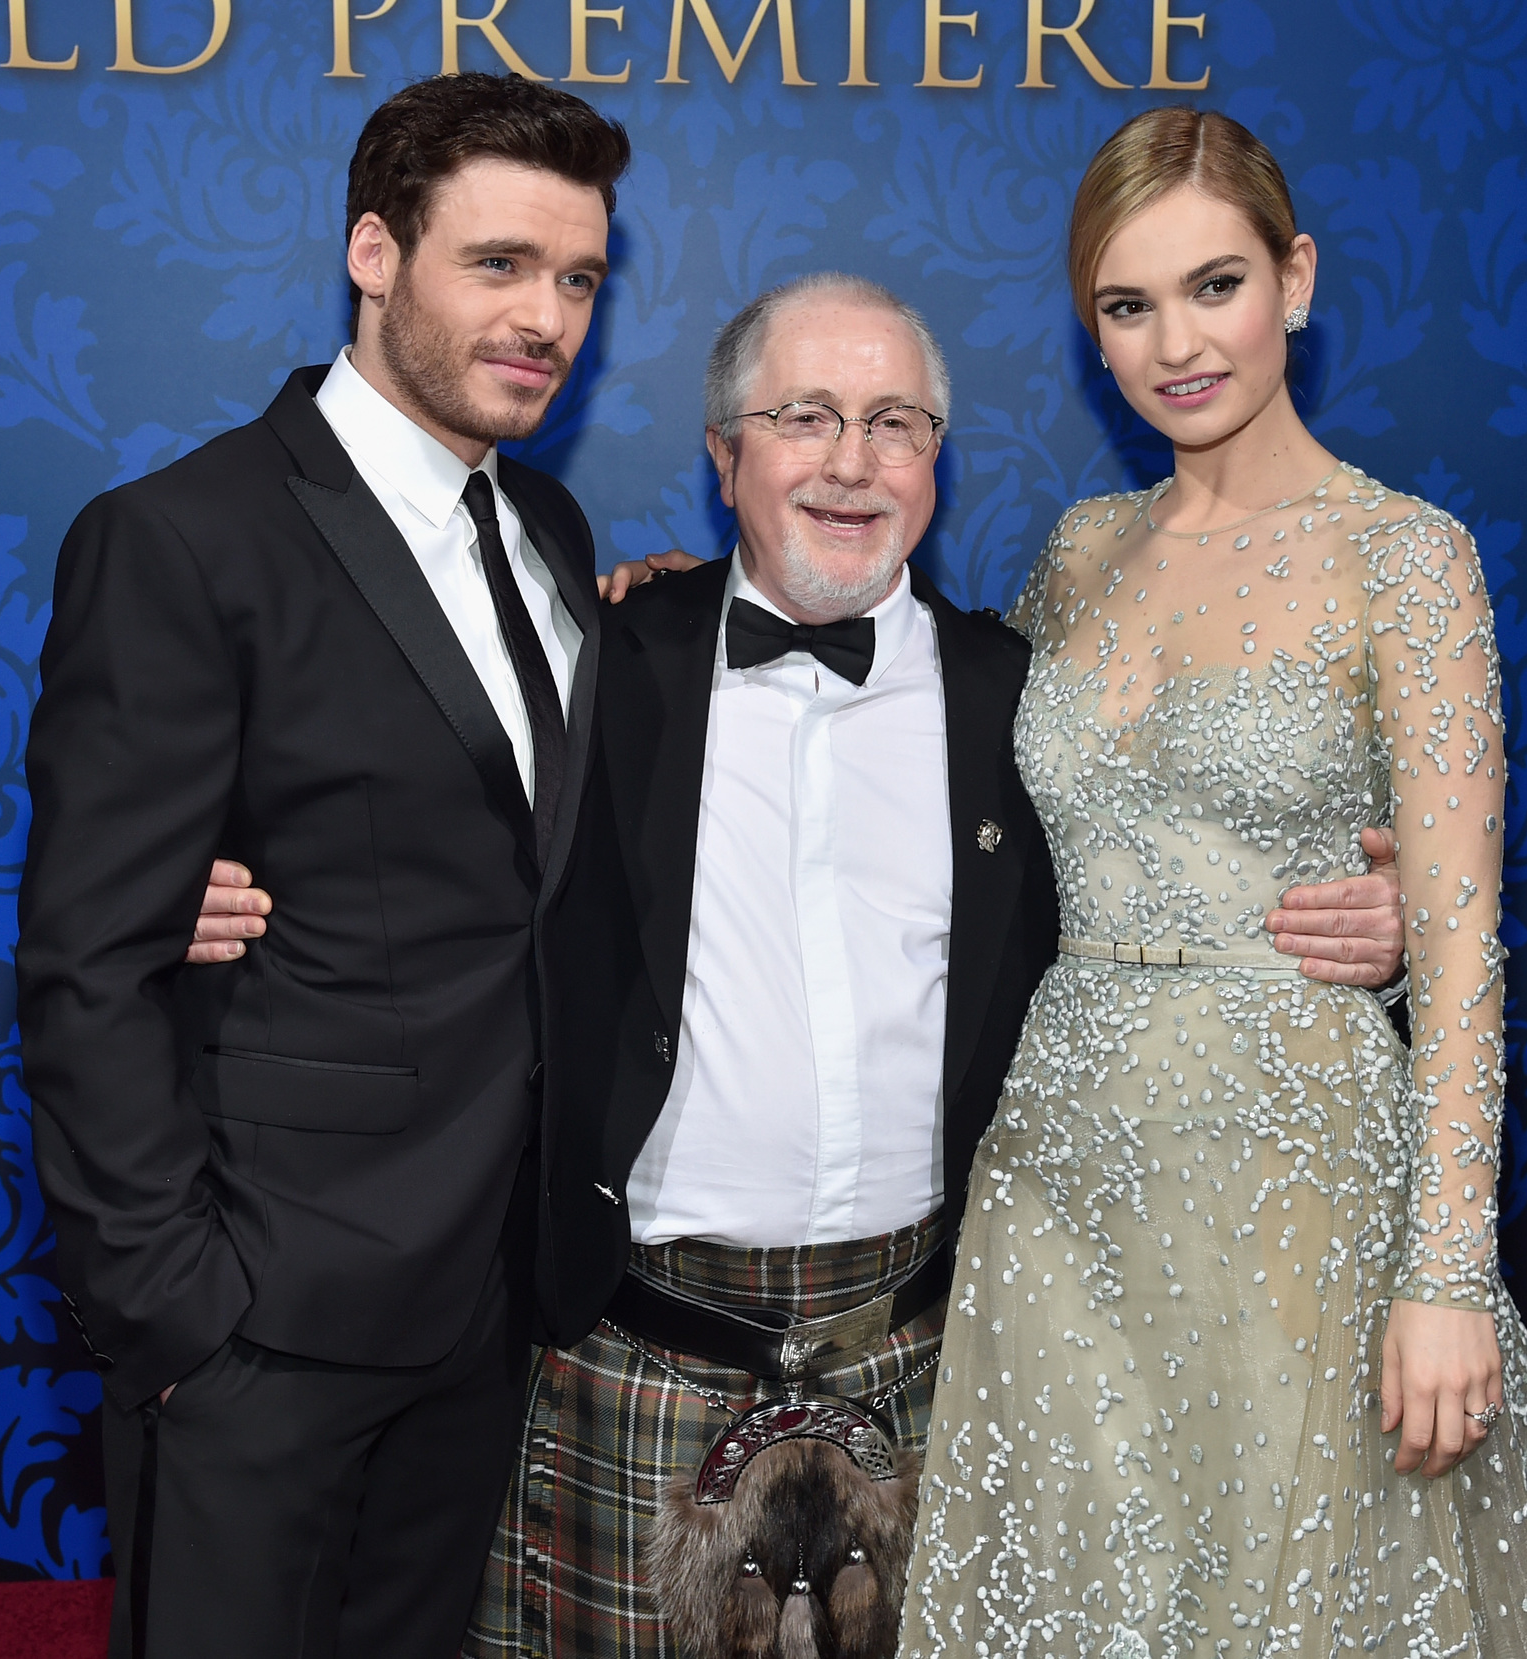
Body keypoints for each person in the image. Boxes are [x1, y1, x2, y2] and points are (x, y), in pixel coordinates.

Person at [190, 272, 1409, 1657]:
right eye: (804, 417)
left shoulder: (1021, 700)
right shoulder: (593, 660)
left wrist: (1375, 931)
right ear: (724, 457)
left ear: (938, 461)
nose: (850, 462)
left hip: (934, 1354)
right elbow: (385, 808)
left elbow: (1172, 906)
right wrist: (188, 882)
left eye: (896, 423)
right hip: (632, 1347)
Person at [897, 109, 1527, 1659]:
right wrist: (675, 598)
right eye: (1128, 307)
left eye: (1215, 286)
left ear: (1295, 279)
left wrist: (1448, 1271)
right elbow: (940, 749)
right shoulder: (1080, 552)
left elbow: (1464, 953)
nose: (1176, 343)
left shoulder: (1405, 557)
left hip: (1298, 1184)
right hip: (1055, 1175)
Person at [15, 74, 629, 1659]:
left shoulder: (551, 530)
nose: (544, 317)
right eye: (498, 264)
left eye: (577, 280)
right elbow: (89, 967)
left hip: (489, 1310)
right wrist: (179, 1318)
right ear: (375, 253)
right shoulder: (183, 539)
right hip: (261, 1325)